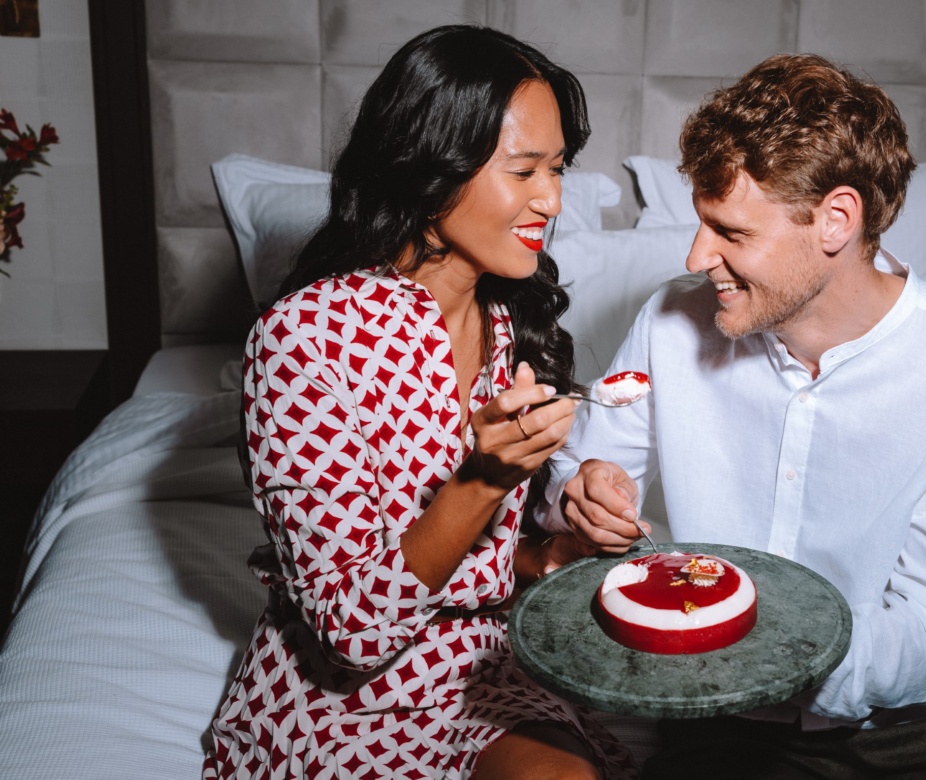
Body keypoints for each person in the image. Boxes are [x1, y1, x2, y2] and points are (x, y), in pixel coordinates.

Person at [542, 54, 926, 779]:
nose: (697, 254)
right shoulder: (670, 322)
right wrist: (583, 491)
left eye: (730, 232)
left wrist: (774, 660)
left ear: (836, 220)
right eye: (700, 223)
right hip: (724, 714)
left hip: (925, 718)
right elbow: (579, 477)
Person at [203, 25, 635, 780]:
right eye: (524, 170)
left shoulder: (510, 323)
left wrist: (563, 542)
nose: (552, 199)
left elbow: (492, 568)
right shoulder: (304, 340)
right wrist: (482, 477)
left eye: (558, 169)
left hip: (488, 674)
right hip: (346, 700)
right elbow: (354, 633)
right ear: (431, 167)